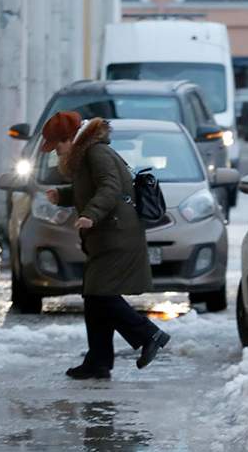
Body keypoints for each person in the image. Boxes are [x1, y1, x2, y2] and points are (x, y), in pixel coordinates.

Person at [41, 111, 170, 379]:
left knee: (101, 293)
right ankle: (98, 361)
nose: (56, 153)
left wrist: (91, 213)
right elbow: (91, 187)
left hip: (116, 233)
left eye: (57, 146)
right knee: (94, 295)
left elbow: (110, 187)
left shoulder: (95, 152)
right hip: (108, 233)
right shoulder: (87, 153)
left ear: (69, 138)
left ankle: (149, 334)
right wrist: (63, 194)